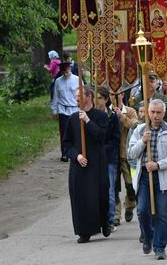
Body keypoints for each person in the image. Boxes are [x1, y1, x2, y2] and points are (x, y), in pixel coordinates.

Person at [127, 99, 167, 260]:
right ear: (148, 112)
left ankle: (159, 247)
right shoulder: (139, 130)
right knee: (142, 210)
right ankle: (148, 236)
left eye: (159, 112)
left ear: (164, 114)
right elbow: (131, 153)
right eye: (152, 112)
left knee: (162, 214)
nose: (155, 115)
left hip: (163, 177)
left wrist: (159, 165)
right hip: (145, 176)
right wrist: (143, 142)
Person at [62, 85, 110, 243]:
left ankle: (104, 222)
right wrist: (77, 156)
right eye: (75, 96)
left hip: (96, 162)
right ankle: (84, 231)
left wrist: (88, 121)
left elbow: (101, 136)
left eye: (79, 96)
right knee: (80, 197)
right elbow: (66, 144)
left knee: (100, 195)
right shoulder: (72, 119)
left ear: (88, 97)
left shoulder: (100, 116)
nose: (76, 99)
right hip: (79, 164)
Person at [111, 91, 138, 226]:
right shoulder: (106, 111)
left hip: (126, 154)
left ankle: (130, 205)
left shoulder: (130, 111)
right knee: (114, 186)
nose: (114, 96)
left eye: (117, 93)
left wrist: (122, 117)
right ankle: (116, 214)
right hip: (112, 155)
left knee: (131, 185)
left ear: (122, 95)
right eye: (111, 94)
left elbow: (134, 125)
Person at [96, 87, 121, 232]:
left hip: (109, 158)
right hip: (95, 158)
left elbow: (116, 138)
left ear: (106, 100)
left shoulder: (112, 116)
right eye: (96, 97)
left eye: (100, 98)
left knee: (110, 189)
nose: (97, 101)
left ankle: (110, 220)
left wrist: (103, 150)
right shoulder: (91, 115)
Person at [51, 62, 80, 162]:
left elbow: (82, 94)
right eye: (63, 72)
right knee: (64, 132)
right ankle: (65, 153)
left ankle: (76, 153)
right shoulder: (58, 81)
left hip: (75, 109)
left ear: (70, 70)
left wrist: (83, 108)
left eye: (67, 71)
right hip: (63, 109)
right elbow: (55, 96)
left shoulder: (77, 80)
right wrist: (54, 110)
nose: (65, 74)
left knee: (76, 131)